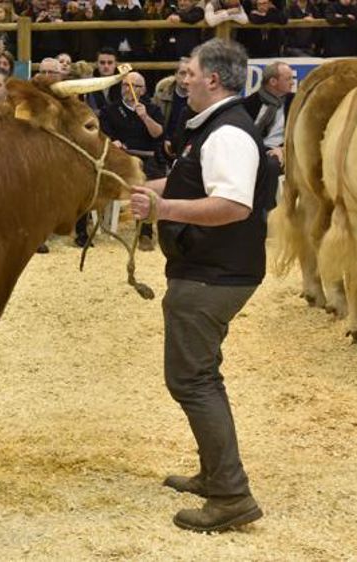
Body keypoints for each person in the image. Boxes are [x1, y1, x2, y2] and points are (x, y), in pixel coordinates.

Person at [129, 38, 273, 533]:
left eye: (188, 70)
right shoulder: (212, 127)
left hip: (213, 275)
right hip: (211, 270)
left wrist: (163, 210)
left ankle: (231, 495)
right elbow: (196, 184)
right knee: (201, 375)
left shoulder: (227, 134)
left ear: (213, 78)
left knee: (191, 380)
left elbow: (233, 205)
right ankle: (215, 475)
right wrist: (146, 190)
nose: (182, 76)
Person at [99, 71, 165, 251]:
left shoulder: (152, 109)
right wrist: (113, 142)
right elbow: (103, 135)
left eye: (134, 86)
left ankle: (145, 233)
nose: (129, 89)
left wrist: (144, 117)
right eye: (125, 85)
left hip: (148, 158)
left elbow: (158, 133)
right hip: (121, 158)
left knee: (148, 181)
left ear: (143, 91)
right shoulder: (109, 110)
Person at [242, 61, 293, 167]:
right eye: (288, 79)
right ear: (273, 81)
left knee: (271, 163)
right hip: (253, 149)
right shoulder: (249, 104)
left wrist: (284, 149)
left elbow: (300, 133)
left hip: (281, 151)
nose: (292, 82)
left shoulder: (295, 102)